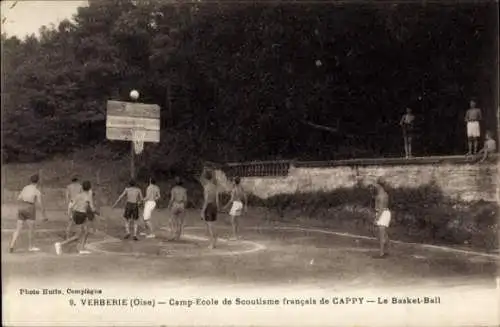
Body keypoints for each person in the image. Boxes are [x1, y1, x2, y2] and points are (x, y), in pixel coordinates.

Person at [54, 181, 96, 255]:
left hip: (76, 214)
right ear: (89, 188)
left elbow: (71, 205)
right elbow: (92, 208)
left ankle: (82, 248)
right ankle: (60, 244)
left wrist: (70, 214)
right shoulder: (88, 196)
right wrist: (96, 212)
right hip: (82, 215)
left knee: (85, 231)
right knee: (78, 235)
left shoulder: (78, 195)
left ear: (82, 187)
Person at [8, 174, 47, 253]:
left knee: (18, 229)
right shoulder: (36, 191)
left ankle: (12, 245)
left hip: (22, 207)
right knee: (31, 229)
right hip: (30, 208)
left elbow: (19, 197)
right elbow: (40, 203)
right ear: (38, 182)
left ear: (30, 180)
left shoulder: (25, 188)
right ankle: (31, 246)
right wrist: (44, 215)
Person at [200, 169, 219, 249]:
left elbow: (207, 199)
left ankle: (212, 243)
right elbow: (217, 198)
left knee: (210, 226)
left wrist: (203, 210)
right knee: (213, 225)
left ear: (205, 178)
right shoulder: (214, 186)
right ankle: (214, 242)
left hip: (209, 206)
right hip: (214, 206)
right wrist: (217, 206)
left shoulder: (206, 187)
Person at [372, 178, 391, 258]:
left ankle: (381, 253)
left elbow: (381, 208)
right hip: (384, 213)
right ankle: (387, 251)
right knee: (384, 235)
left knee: (381, 235)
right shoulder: (384, 194)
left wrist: (376, 219)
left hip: (382, 214)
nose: (375, 185)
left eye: (376, 184)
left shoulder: (381, 195)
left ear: (379, 185)